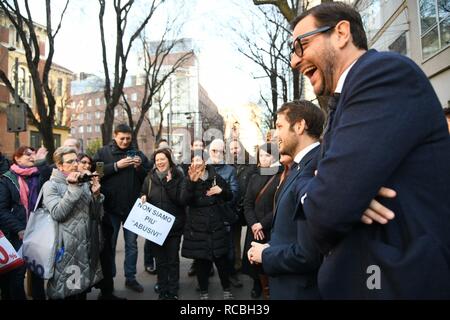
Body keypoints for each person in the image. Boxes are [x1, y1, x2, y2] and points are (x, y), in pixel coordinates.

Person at [290, 2, 450, 298]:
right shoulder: (346, 98)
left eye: (301, 44)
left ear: (341, 33)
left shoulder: (383, 74)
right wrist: (330, 191)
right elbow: (314, 185)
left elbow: (329, 209)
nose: (294, 61)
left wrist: (337, 196)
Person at [248, 101, 325, 300]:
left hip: (301, 291)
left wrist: (266, 255)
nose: (275, 135)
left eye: (280, 126)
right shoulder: (299, 167)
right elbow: (291, 232)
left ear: (299, 126)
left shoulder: (318, 168)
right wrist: (269, 246)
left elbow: (309, 254)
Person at [93, 124, 151, 294]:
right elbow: (95, 172)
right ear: (115, 136)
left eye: (128, 138)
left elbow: (148, 178)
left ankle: (130, 278)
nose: (125, 141)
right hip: (110, 208)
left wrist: (139, 167)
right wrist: (117, 165)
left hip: (133, 209)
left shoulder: (138, 153)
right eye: (122, 138)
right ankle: (108, 281)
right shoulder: (103, 152)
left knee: (132, 245)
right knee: (109, 246)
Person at [42, 147, 103, 299]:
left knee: (81, 290)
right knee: (66, 290)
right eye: (70, 162)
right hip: (66, 249)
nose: (75, 164)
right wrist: (73, 188)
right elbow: (58, 213)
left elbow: (95, 215)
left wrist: (96, 195)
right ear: (59, 166)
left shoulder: (83, 182)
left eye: (76, 160)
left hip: (85, 244)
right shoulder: (50, 186)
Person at [181, 150, 234, 300]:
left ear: (205, 162)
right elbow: (183, 200)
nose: (197, 163)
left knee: (221, 261)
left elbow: (230, 195)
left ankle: (226, 290)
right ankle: (203, 291)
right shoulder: (188, 179)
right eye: (194, 160)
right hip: (197, 228)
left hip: (216, 226)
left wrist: (221, 191)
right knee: (201, 263)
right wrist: (191, 183)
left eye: (199, 160)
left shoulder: (216, 178)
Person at [0, 146, 46, 300]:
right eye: (28, 155)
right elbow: (2, 210)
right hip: (15, 235)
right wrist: (19, 228)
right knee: (17, 275)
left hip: (37, 232)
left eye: (34, 155)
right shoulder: (7, 179)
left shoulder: (39, 175)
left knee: (38, 272)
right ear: (17, 158)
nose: (32, 157)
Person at [140, 148, 185, 300]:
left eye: (162, 159)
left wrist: (170, 183)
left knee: (172, 260)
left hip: (174, 226)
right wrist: (143, 197)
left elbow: (181, 200)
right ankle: (162, 290)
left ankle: (173, 291)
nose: (160, 162)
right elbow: (143, 193)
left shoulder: (178, 176)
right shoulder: (149, 178)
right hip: (156, 227)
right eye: (157, 160)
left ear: (169, 160)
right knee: (160, 261)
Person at [242, 143, 280, 299]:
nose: (264, 159)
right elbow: (247, 203)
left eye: (268, 155)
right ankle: (257, 285)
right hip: (254, 227)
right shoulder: (254, 176)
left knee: (268, 260)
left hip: (270, 227)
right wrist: (253, 224)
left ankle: (270, 288)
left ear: (274, 156)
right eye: (261, 155)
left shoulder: (280, 175)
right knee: (254, 261)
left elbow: (279, 206)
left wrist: (262, 224)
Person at [207, 139, 241, 288]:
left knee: (228, 250)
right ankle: (204, 278)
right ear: (209, 152)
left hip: (224, 217)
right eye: (213, 150)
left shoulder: (230, 170)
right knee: (206, 250)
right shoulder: (203, 168)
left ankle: (230, 275)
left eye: (219, 151)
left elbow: (235, 194)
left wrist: (222, 194)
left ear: (224, 152)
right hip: (206, 218)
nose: (216, 154)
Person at [228, 139, 257, 273]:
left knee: (251, 236)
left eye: (236, 148)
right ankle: (237, 262)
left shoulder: (252, 164)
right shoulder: (228, 165)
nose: (234, 151)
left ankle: (251, 261)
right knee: (234, 236)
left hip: (248, 205)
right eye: (232, 148)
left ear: (242, 148)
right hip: (234, 206)